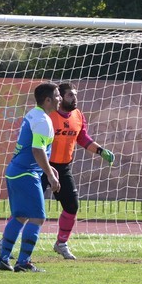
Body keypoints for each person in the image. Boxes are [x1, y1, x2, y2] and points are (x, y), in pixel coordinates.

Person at [0, 82, 61, 273]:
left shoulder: (33, 114)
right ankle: (23, 262)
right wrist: (50, 175)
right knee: (38, 217)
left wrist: (48, 168)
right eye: (57, 95)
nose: (59, 98)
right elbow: (37, 150)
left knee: (20, 216)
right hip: (26, 173)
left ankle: (3, 259)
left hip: (15, 171)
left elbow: (35, 149)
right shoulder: (43, 120)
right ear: (48, 100)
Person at [44, 82, 114, 260]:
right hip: (42, 165)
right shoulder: (48, 115)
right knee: (29, 206)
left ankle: (61, 243)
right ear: (59, 98)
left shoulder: (78, 115)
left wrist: (100, 151)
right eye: (70, 95)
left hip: (63, 167)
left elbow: (82, 138)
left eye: (75, 94)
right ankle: (7, 241)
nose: (74, 98)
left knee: (72, 206)